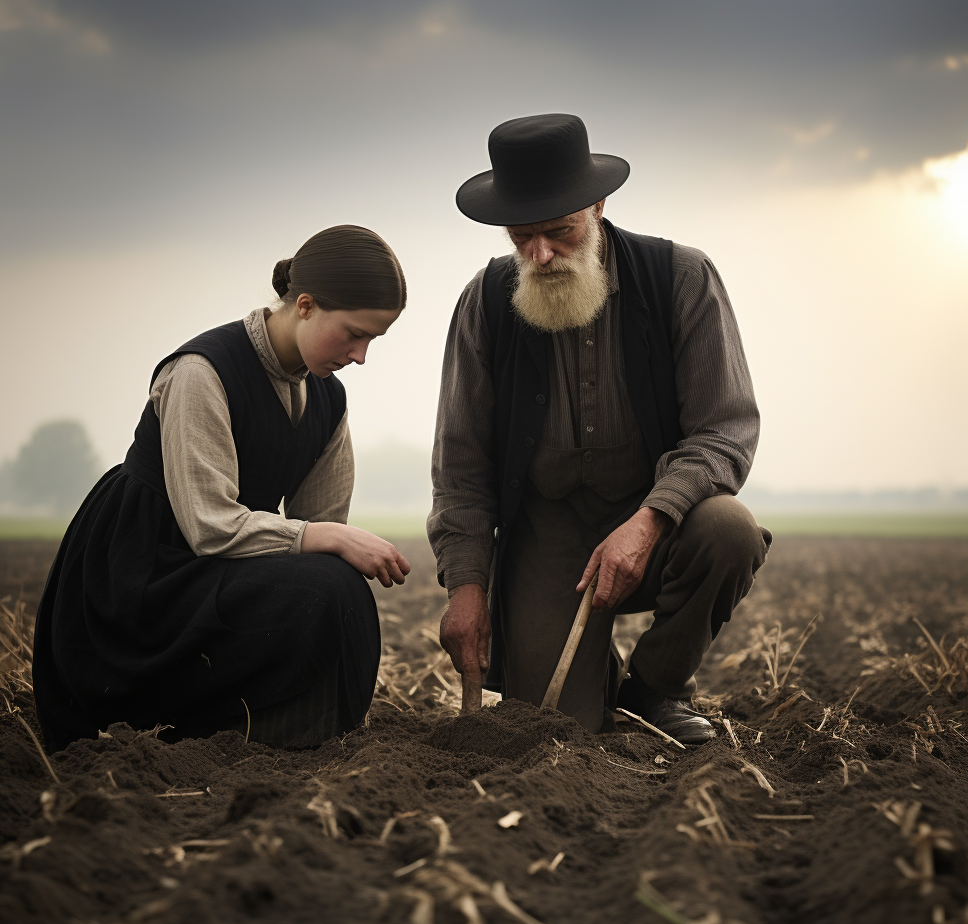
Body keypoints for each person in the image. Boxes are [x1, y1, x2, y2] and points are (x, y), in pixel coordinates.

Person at [429, 113, 771, 744]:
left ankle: (656, 689)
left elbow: (725, 430)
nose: (539, 254)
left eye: (558, 232)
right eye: (522, 236)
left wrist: (649, 521)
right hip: (547, 529)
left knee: (729, 531)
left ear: (597, 204)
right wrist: (467, 588)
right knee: (553, 729)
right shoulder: (486, 301)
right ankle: (594, 677)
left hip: (657, 518)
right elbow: (461, 465)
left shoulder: (681, 277)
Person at [34, 225, 412, 751]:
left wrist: (333, 543)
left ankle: (306, 742)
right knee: (326, 584)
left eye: (373, 339)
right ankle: (209, 734)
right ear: (304, 305)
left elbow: (323, 528)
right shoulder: (201, 372)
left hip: (220, 565)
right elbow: (209, 526)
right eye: (353, 333)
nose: (361, 355)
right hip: (146, 572)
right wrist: (327, 540)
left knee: (335, 586)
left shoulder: (329, 401)